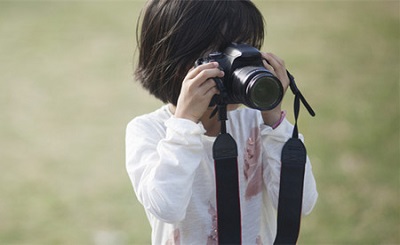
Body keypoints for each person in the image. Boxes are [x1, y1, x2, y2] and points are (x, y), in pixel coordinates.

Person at [126, 0, 318, 244]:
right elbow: (167, 207)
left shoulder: (258, 124)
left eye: (247, 48)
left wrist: (274, 121)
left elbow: (301, 203)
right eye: (224, 54)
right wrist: (185, 124)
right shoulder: (149, 131)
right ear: (177, 63)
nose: (239, 63)